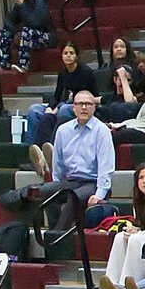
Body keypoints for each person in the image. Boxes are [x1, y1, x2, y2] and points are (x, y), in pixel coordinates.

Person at [33, 90, 116, 234]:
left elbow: (106, 167)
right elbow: (58, 164)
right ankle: (55, 230)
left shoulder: (102, 131)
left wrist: (100, 193)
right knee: (45, 191)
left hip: (92, 182)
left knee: (73, 197)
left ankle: (58, 236)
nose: (84, 107)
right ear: (73, 107)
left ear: (94, 108)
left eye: (88, 104)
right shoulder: (63, 130)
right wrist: (56, 185)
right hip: (71, 180)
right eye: (80, 104)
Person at [26, 46, 100, 162]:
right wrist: (50, 107)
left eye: (71, 53)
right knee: (34, 110)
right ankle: (35, 153)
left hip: (79, 105)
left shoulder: (85, 72)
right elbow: (57, 94)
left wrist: (58, 107)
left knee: (64, 109)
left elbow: (89, 96)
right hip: (63, 103)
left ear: (76, 55)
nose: (68, 55)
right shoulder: (63, 72)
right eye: (65, 53)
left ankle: (52, 151)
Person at [0, 0, 54, 72]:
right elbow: (8, 22)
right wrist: (15, 33)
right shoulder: (20, 4)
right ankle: (3, 63)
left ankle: (23, 65)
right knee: (4, 33)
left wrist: (22, 6)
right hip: (27, 36)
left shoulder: (39, 0)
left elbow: (35, 23)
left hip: (45, 36)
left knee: (26, 31)